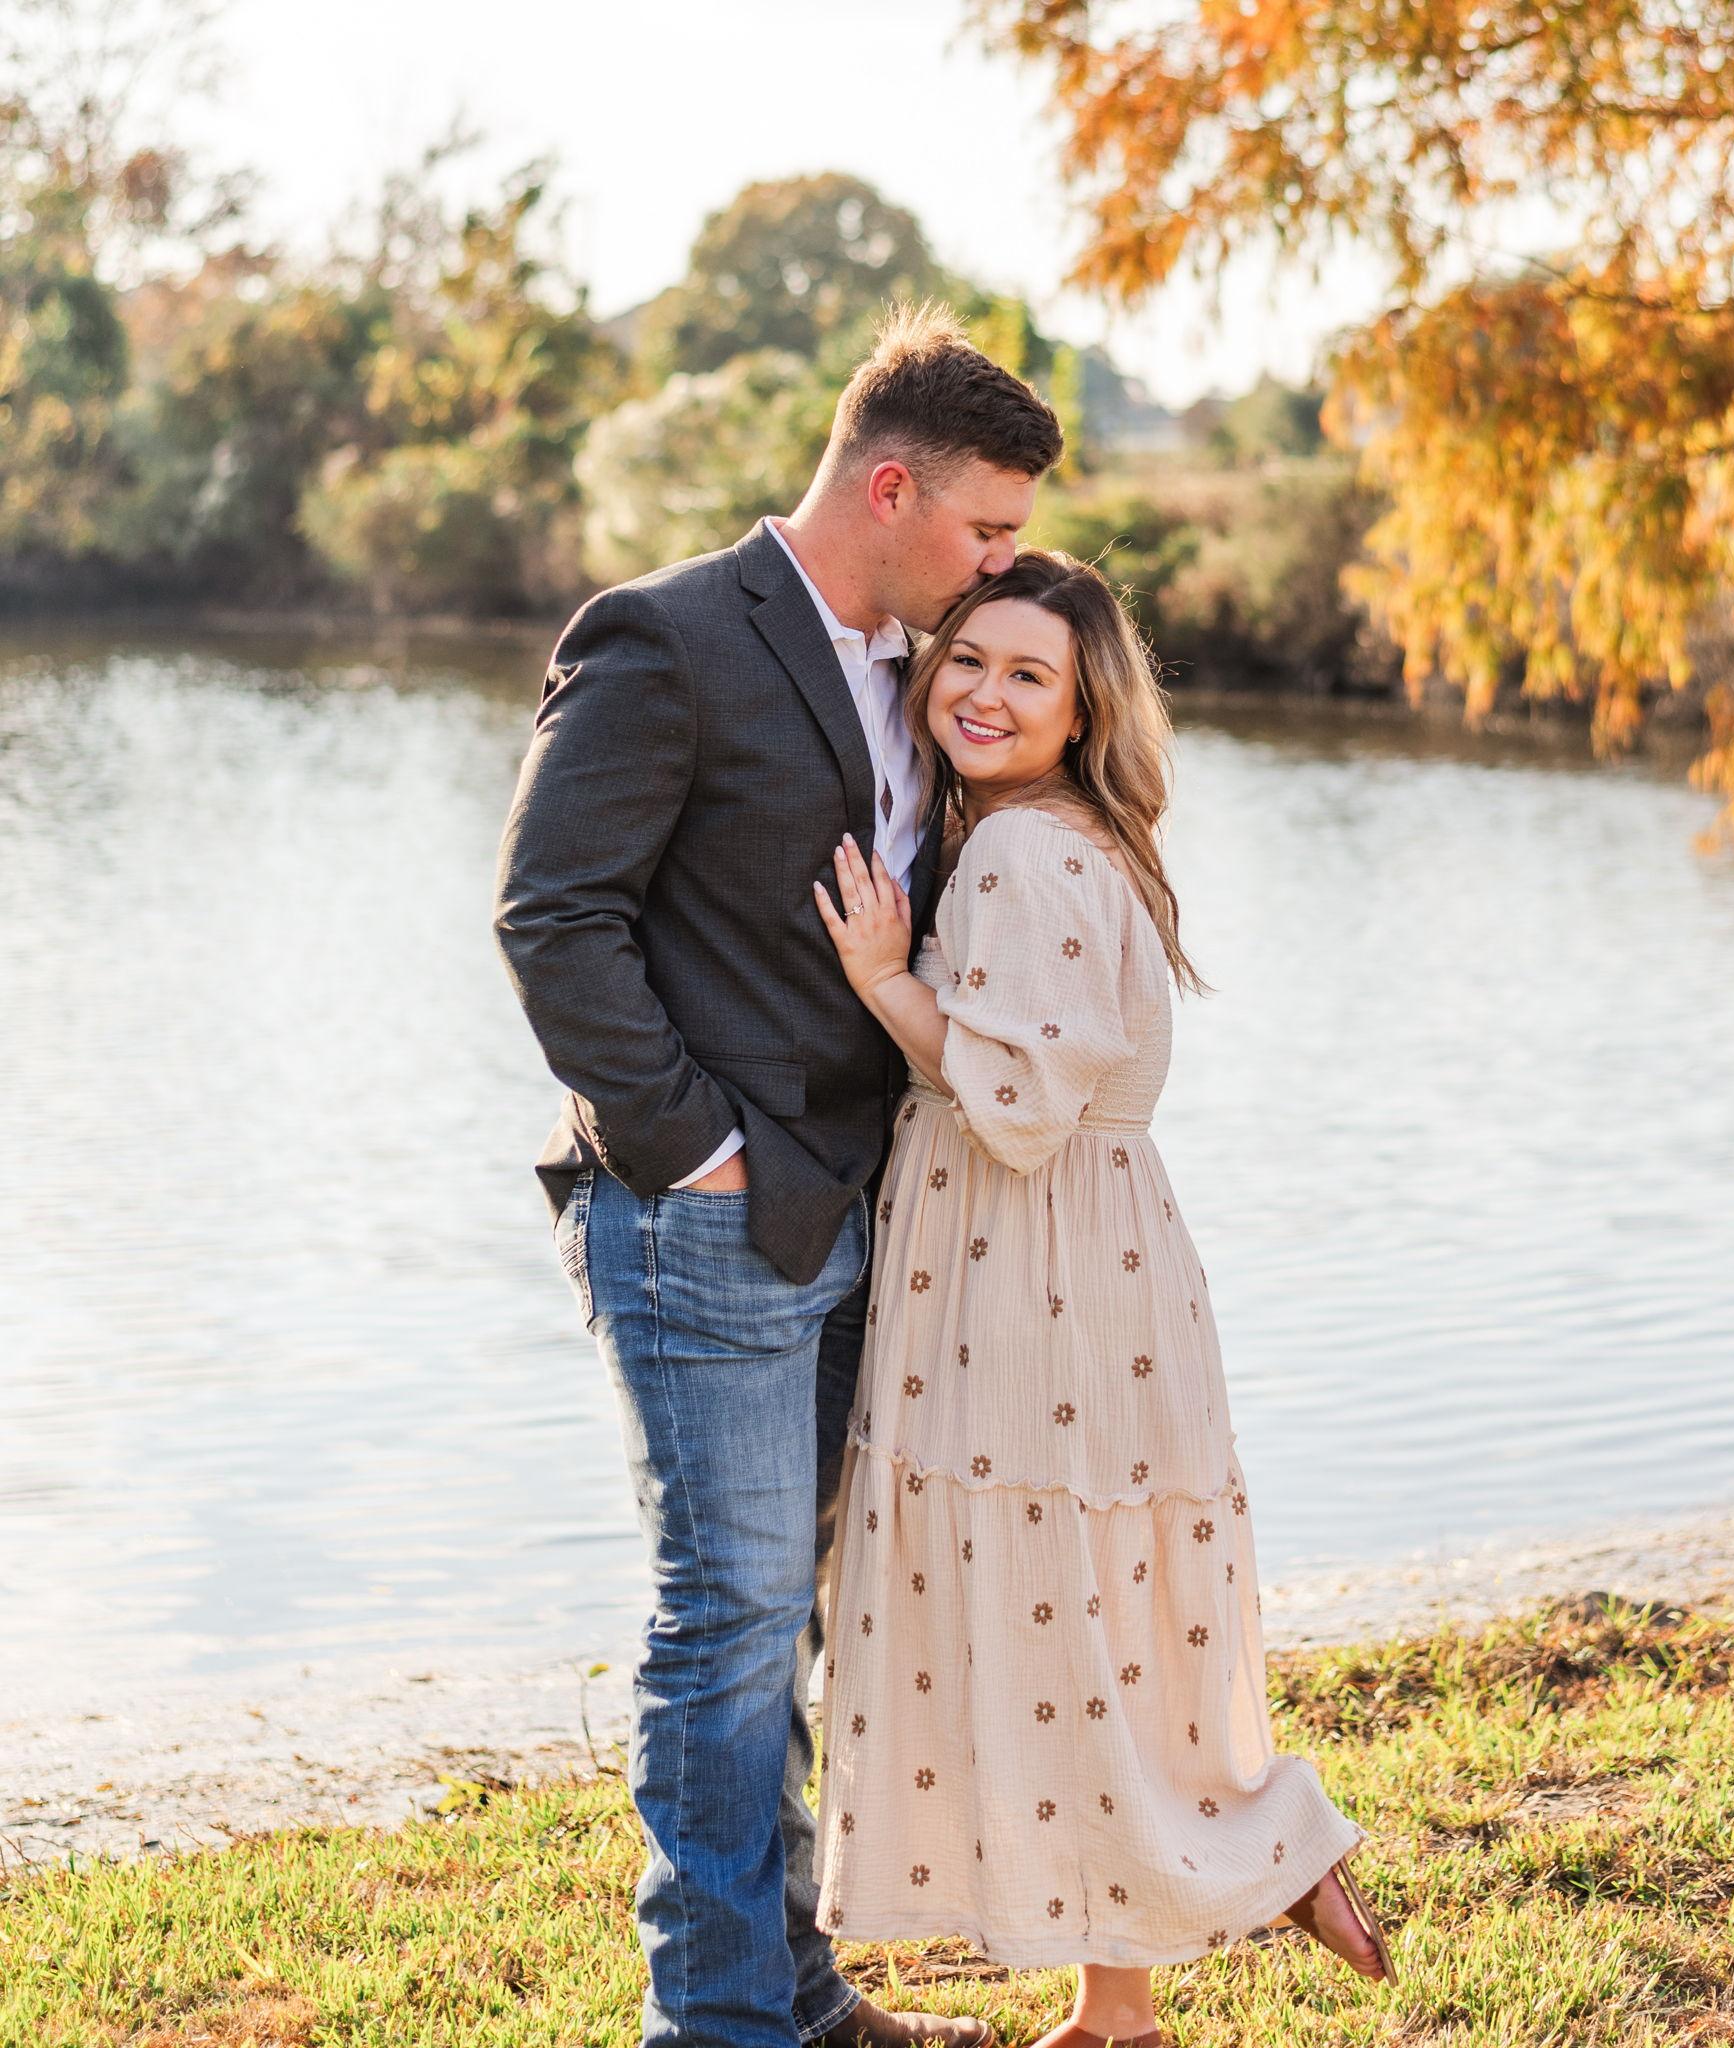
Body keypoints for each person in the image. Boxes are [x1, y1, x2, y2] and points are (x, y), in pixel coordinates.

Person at [493, 305, 1063, 2048]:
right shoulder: (663, 640)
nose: (994, 573)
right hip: (700, 1225)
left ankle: (797, 1999)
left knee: (797, 1616)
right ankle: (721, 2025)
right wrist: (701, 1153)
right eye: (984, 533)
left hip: (856, 1216)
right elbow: (551, 919)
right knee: (725, 1620)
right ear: (889, 487)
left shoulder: (906, 661)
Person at [809, 550, 1397, 2046]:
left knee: (1050, 1607)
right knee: (1093, 1619)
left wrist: (884, 975)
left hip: (1032, 1263)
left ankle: (1273, 1848)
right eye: (967, 662)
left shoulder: (1020, 854)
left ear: (1082, 713)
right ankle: (1117, 2007)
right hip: (1091, 1260)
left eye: (1029, 676)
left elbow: (1016, 1100)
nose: (986, 695)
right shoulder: (1062, 833)